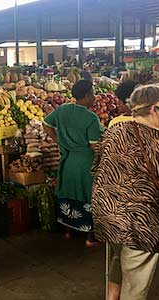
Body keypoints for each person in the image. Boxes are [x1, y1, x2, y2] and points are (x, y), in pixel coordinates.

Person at [92, 84, 159, 300]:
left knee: (119, 259)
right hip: (142, 223)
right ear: (152, 109)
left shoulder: (113, 131)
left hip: (109, 216)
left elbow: (97, 168)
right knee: (136, 285)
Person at [43, 80, 103, 247]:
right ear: (86, 96)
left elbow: (46, 124)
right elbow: (94, 145)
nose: (95, 97)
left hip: (68, 161)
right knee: (87, 196)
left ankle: (69, 231)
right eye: (93, 94)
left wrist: (59, 141)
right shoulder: (91, 118)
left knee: (69, 192)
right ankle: (90, 238)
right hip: (85, 162)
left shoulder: (62, 109)